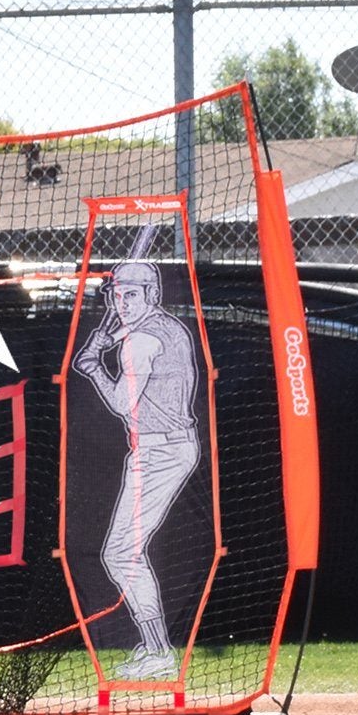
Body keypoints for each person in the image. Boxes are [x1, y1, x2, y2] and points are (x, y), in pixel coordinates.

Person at [73, 257, 204, 681]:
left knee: (121, 552)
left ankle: (159, 652)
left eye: (132, 294)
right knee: (123, 552)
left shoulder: (143, 340)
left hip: (162, 453)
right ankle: (154, 649)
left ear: (152, 295)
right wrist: (111, 338)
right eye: (117, 294)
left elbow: (120, 402)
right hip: (158, 449)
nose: (122, 301)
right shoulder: (162, 327)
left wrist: (93, 364)